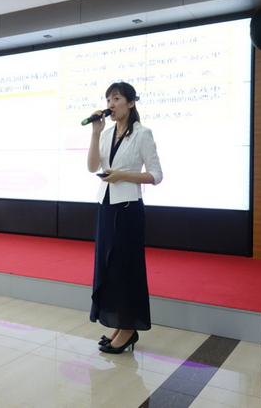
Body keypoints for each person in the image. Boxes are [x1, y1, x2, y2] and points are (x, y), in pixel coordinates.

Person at [86, 81, 163, 354]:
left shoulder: (142, 133)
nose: (111, 104)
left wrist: (122, 176)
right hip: (106, 206)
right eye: (108, 99)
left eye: (116, 99)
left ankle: (129, 329)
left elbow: (156, 175)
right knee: (108, 268)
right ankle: (120, 324)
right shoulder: (105, 133)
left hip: (129, 209)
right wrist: (95, 132)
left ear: (130, 103)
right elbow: (92, 167)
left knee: (126, 269)